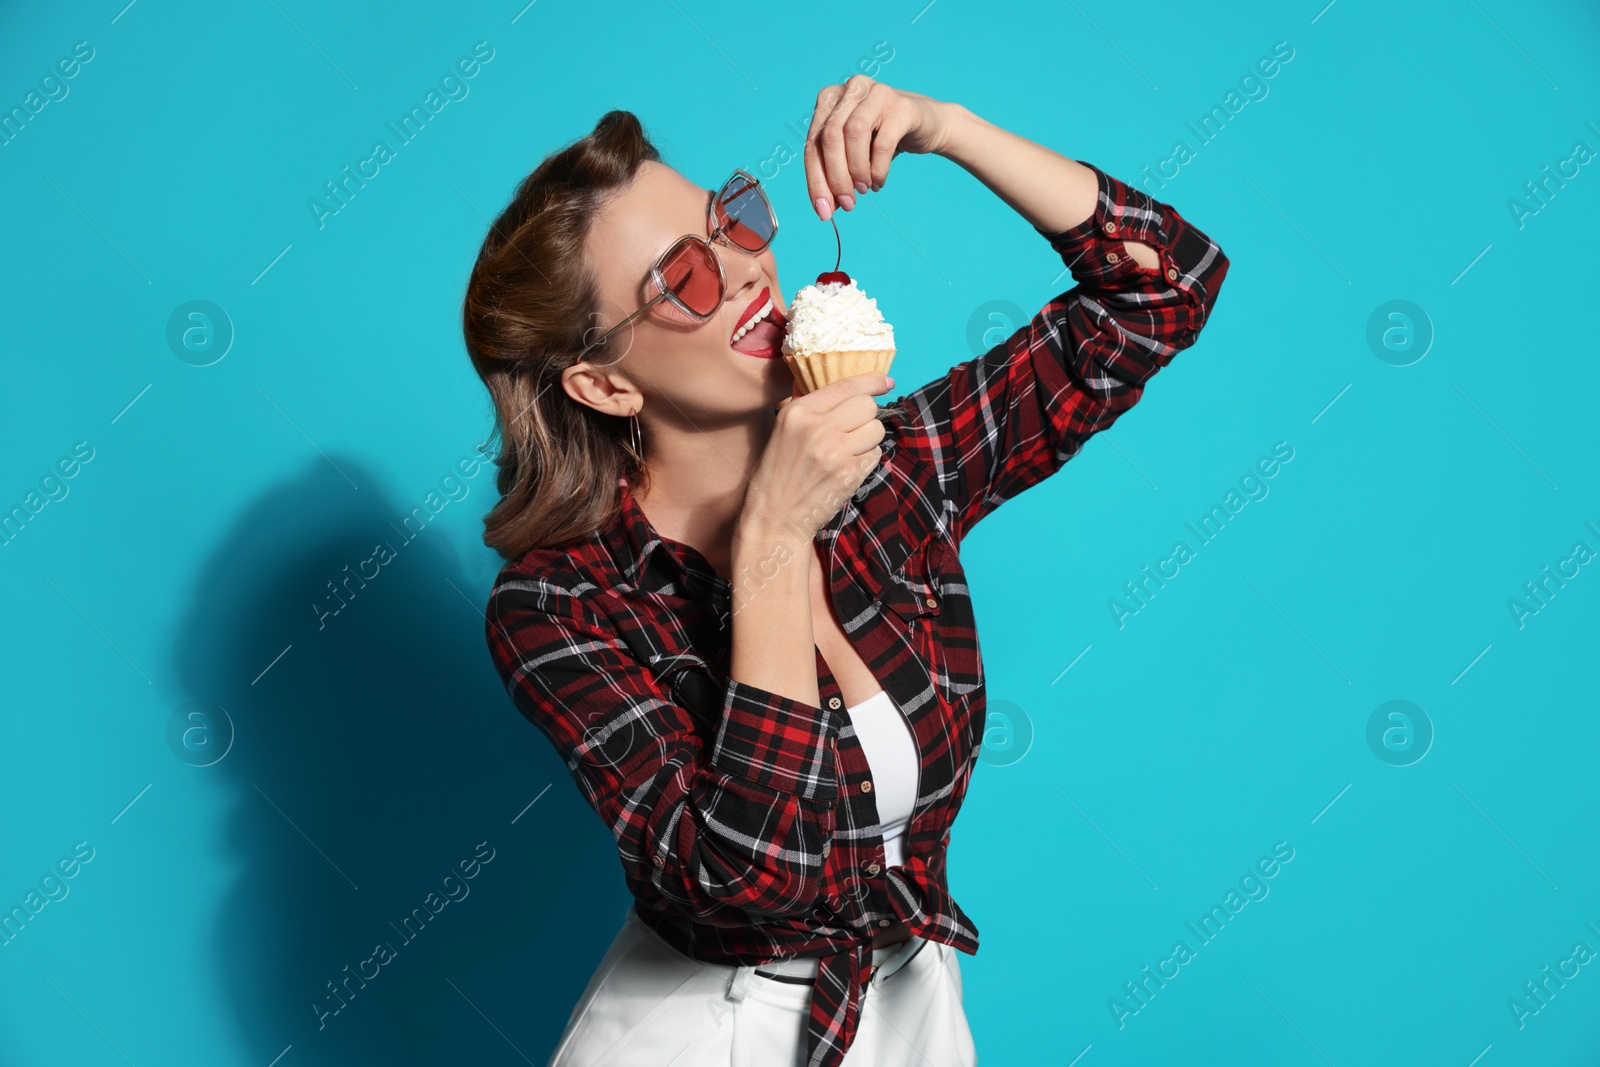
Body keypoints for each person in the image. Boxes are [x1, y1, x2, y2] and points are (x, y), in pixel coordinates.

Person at [465, 75, 1229, 1067]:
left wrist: (948, 128)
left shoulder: (894, 469)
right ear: (605, 382)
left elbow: (1165, 286)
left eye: (732, 220)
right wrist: (774, 542)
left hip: (907, 1012)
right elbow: (746, 881)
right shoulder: (560, 606)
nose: (744, 270)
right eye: (684, 280)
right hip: (709, 1030)